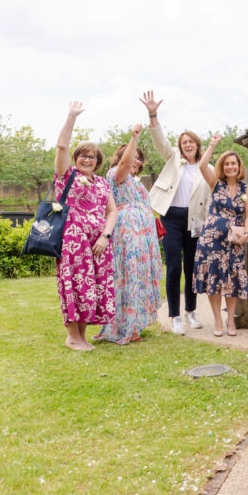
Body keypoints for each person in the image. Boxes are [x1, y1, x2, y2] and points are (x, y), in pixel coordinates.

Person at [139, 91, 211, 335]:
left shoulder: (206, 167)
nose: (187, 145)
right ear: (180, 146)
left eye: (191, 142)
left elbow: (210, 195)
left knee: (192, 267)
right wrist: (153, 115)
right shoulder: (173, 159)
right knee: (173, 266)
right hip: (171, 217)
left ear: (197, 145)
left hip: (195, 220)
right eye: (184, 142)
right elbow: (160, 140)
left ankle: (191, 311)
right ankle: (175, 315)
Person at [53, 101, 116, 351]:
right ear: (75, 158)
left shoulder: (101, 182)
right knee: (75, 284)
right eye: (82, 155)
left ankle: (82, 337)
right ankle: (72, 338)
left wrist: (105, 236)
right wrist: (71, 117)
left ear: (98, 161)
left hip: (99, 243)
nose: (87, 159)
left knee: (92, 286)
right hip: (73, 241)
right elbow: (61, 146)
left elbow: (112, 210)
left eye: (92, 156)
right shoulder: (67, 176)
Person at [95, 124, 163, 345]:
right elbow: (124, 164)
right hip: (127, 234)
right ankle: (125, 326)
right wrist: (134, 138)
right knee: (129, 276)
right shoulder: (115, 174)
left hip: (142, 236)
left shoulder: (136, 182)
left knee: (139, 277)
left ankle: (134, 323)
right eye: (133, 157)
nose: (136, 161)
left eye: (139, 158)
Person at [193, 137, 248, 337]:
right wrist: (212, 145)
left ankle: (231, 321)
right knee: (214, 280)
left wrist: (245, 233)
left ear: (239, 166)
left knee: (232, 280)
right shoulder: (215, 183)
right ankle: (218, 320)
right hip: (211, 240)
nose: (230, 167)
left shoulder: (245, 189)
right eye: (226, 164)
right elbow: (202, 165)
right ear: (222, 166)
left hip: (233, 241)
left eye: (233, 163)